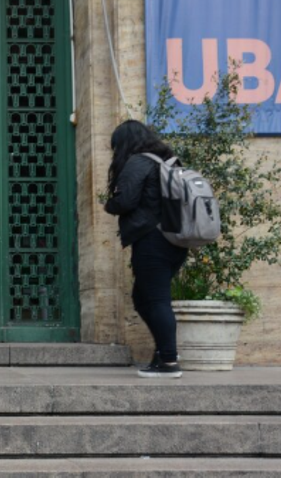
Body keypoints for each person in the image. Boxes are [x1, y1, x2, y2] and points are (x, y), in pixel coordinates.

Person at [104, 120, 188, 378]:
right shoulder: (168, 161)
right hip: (175, 241)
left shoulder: (138, 162)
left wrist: (110, 204)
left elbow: (126, 200)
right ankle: (164, 352)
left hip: (152, 240)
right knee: (142, 298)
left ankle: (170, 361)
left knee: (157, 300)